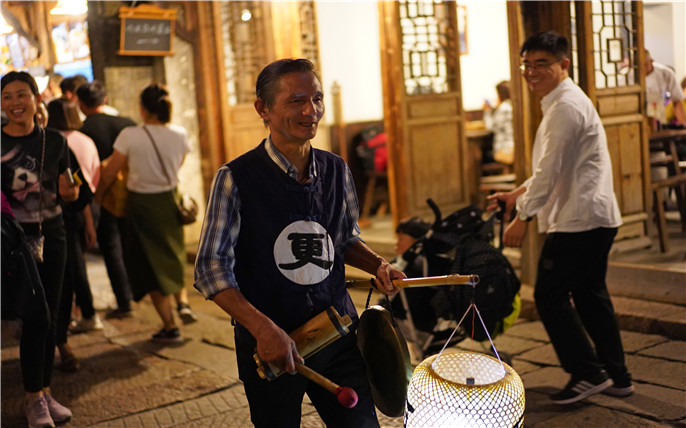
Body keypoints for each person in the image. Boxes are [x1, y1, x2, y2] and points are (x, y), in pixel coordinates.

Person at [194, 58, 405, 428]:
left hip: (337, 330)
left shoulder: (336, 168)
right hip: (273, 344)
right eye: (296, 101)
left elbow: (342, 239)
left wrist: (378, 265)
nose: (311, 111)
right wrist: (262, 329)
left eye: (317, 99)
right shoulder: (236, 178)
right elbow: (211, 269)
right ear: (263, 109)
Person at [487, 32, 632, 405]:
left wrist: (522, 217)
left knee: (550, 296)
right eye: (527, 64)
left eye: (542, 64)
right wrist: (516, 194)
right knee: (589, 295)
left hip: (578, 219)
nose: (531, 72)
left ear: (563, 64)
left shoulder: (565, 106)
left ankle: (588, 373)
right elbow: (551, 170)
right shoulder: (561, 102)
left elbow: (549, 173)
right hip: (592, 216)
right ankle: (617, 376)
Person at [2, 70, 79, 427]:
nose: (14, 103)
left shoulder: (56, 141)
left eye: (21, 95)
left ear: (36, 98)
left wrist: (71, 193)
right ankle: (33, 399)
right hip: (13, 241)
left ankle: (45, 392)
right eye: (6, 97)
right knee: (36, 317)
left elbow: (71, 187)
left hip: (53, 236)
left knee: (52, 316)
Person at [95, 83, 197, 343]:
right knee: (173, 254)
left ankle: (170, 326)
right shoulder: (179, 134)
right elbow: (178, 164)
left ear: (142, 108)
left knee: (149, 265)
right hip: (170, 200)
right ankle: (183, 304)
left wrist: (97, 197)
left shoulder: (130, 136)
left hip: (141, 206)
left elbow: (110, 172)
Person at [46, 97, 101, 372]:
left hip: (61, 225)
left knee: (64, 284)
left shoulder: (57, 144)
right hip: (16, 232)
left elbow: (80, 187)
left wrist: (85, 216)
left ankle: (61, 342)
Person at [76, 80, 135, 318]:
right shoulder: (127, 124)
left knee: (111, 248)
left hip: (102, 195)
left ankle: (124, 300)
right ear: (105, 100)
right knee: (131, 245)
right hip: (131, 193)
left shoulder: (82, 132)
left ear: (81, 104)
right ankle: (139, 291)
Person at [643, 50, 686, 126]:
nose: (642, 68)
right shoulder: (626, 76)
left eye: (645, 65)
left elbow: (677, 101)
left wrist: (683, 125)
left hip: (659, 118)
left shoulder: (666, 73)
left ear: (651, 61)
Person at [483, 80, 514, 165]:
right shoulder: (512, 105)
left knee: (482, 156)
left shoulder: (503, 108)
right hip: (513, 147)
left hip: (506, 149)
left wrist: (487, 111)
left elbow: (490, 127)